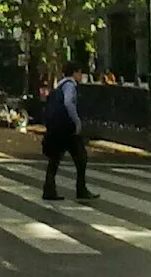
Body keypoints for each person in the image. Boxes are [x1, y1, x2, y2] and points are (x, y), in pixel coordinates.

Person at [41, 62, 96, 201]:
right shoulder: (70, 86)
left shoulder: (59, 85)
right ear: (75, 72)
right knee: (81, 158)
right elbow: (68, 103)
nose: (81, 76)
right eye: (80, 72)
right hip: (68, 128)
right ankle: (81, 189)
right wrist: (77, 121)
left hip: (58, 128)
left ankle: (49, 189)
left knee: (55, 159)